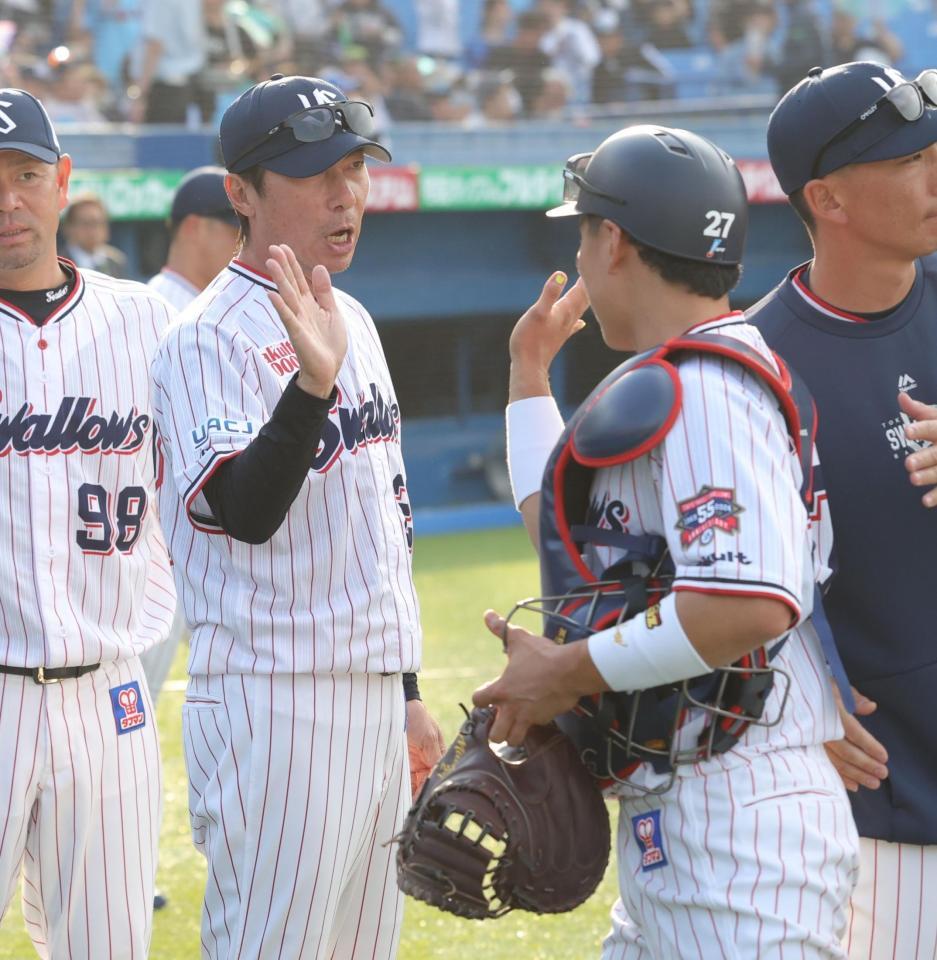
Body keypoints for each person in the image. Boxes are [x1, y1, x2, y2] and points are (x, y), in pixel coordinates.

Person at [474, 124, 860, 957]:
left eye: (582, 233)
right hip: (693, 812)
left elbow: (744, 602)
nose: (578, 258)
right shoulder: (683, 373)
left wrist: (564, 673)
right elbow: (570, 537)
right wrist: (527, 376)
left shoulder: (707, 388)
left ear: (611, 241)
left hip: (740, 822)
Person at [149, 74, 444, 959]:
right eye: (318, 173)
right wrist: (311, 386)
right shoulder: (206, 336)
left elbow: (381, 527)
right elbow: (245, 510)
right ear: (240, 191)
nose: (346, 193)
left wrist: (407, 694)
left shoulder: (351, 315)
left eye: (354, 168)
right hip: (276, 705)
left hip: (368, 699)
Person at [747, 60, 937, 959]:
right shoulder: (753, 366)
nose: (935, 170)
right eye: (909, 159)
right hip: (883, 807)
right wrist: (797, 698)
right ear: (827, 198)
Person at [0, 87, 176, 958]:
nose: (8, 201)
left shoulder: (144, 318)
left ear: (62, 180)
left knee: (106, 947)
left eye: (26, 175)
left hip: (109, 690)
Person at [147, 165, 239, 311]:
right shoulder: (158, 308)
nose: (243, 245)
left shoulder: (205, 301)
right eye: (236, 234)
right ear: (193, 227)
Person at [60, 191, 127, 277]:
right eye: (86, 223)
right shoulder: (59, 264)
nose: (93, 229)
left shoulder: (116, 261)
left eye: (98, 222)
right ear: (68, 227)